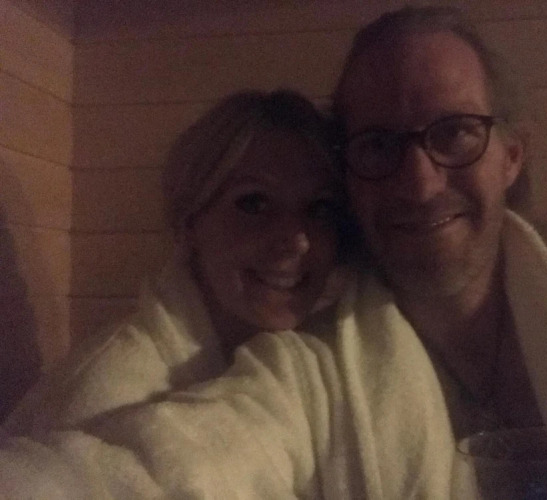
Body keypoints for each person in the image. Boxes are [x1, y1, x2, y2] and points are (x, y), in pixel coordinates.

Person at [1, 7, 547, 498]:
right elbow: (155, 469)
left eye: (456, 132)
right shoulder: (301, 371)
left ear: (512, 156)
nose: (420, 182)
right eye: (378, 144)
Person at [2, 89, 349, 435]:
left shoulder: (313, 372)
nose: (297, 241)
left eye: (319, 208)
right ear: (188, 223)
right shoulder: (106, 399)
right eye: (254, 203)